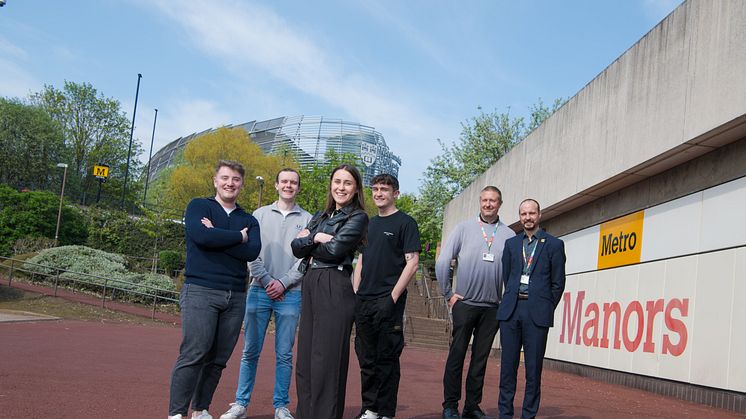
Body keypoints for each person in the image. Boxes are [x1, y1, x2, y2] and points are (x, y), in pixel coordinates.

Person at [168, 160, 261, 419]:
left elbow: (252, 251)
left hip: (235, 295)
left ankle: (200, 409)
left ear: (241, 184)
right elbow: (202, 237)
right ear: (215, 180)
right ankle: (176, 413)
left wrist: (218, 236)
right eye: (225, 178)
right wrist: (237, 238)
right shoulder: (199, 206)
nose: (230, 183)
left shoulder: (248, 219)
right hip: (201, 290)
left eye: (235, 179)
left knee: (218, 358)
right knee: (194, 352)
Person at [220, 169, 311, 419]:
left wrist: (283, 283)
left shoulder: (309, 219)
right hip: (259, 291)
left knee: (284, 354)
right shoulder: (258, 215)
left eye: (293, 182)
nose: (288, 185)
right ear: (276, 185)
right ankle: (240, 403)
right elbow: (251, 253)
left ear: (298, 187)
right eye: (284, 181)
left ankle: (281, 406)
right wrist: (269, 281)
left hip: (291, 294)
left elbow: (306, 261)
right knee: (250, 351)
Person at [290, 163, 369, 419]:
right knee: (305, 361)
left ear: (356, 188)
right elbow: (296, 246)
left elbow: (335, 251)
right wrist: (315, 238)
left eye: (347, 183)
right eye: (337, 182)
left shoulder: (357, 217)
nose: (341, 187)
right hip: (312, 281)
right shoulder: (321, 216)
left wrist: (310, 240)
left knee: (327, 362)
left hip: (335, 284)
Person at [436, 186, 515, 419]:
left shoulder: (509, 235)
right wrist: (448, 293)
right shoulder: (463, 229)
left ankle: (472, 406)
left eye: (493, 201)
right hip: (465, 303)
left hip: (492, 308)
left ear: (500, 204)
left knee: (479, 361)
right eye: (485, 200)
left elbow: (512, 272)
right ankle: (450, 405)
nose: (488, 204)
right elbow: (443, 262)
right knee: (457, 356)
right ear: (480, 202)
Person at [352, 174, 421, 419]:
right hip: (364, 301)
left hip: (388, 302)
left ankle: (386, 412)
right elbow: (361, 259)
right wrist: (356, 292)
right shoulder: (368, 224)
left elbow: (412, 263)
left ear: (396, 193)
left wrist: (391, 298)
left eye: (384, 189)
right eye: (375, 189)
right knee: (366, 359)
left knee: (387, 359)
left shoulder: (406, 223)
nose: (379, 193)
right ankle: (369, 408)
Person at [497, 199, 566, 419]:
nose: (528, 217)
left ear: (539, 215)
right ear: (520, 216)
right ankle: (505, 414)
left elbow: (558, 283)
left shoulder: (554, 245)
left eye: (532, 213)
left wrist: (544, 305)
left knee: (533, 370)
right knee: (507, 368)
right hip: (511, 311)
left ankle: (528, 415)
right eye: (524, 213)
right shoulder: (511, 244)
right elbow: (507, 275)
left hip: (536, 314)